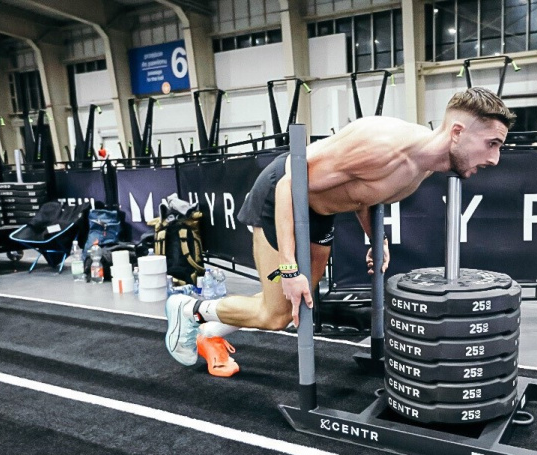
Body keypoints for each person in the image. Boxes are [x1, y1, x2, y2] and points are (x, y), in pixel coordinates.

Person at [164, 87, 515, 376]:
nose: (495, 159)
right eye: (492, 144)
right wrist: (289, 268)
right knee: (277, 315)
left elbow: (365, 195)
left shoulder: (424, 167)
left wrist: (375, 240)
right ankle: (190, 308)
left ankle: (208, 331)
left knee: (295, 305)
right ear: (457, 132)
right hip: (280, 196)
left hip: (317, 211)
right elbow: (290, 184)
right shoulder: (384, 145)